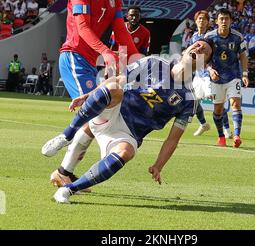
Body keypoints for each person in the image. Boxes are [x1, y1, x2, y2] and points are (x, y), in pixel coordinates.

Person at [41, 39, 214, 203]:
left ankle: (68, 189)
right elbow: (118, 80)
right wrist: (87, 96)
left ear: (204, 65)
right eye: (197, 45)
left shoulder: (190, 99)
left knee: (126, 152)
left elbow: (172, 140)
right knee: (115, 89)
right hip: (114, 111)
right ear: (185, 50)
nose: (198, 49)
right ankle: (66, 136)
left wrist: (158, 165)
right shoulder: (154, 62)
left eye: (204, 51)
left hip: (129, 133)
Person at [47, 0, 140, 189]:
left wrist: (139, 59)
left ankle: (65, 171)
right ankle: (65, 169)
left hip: (91, 61)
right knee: (95, 111)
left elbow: (121, 30)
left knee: (100, 111)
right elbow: (82, 26)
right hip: (75, 56)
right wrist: (105, 51)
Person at [205, 8, 249, 147]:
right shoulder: (209, 37)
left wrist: (245, 74)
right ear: (217, 21)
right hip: (216, 78)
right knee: (218, 110)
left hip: (233, 75)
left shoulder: (237, 37)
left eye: (226, 19)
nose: (224, 21)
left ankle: (236, 135)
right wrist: (210, 69)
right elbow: (202, 58)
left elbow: (243, 55)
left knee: (235, 103)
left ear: (230, 21)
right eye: (221, 19)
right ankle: (221, 136)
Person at [191, 10, 232, 138]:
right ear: (196, 21)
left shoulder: (212, 37)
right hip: (198, 75)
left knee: (217, 103)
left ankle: (226, 129)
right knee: (193, 101)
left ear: (208, 22)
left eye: (204, 19)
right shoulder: (194, 36)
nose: (201, 21)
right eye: (199, 19)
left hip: (209, 75)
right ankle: (203, 124)